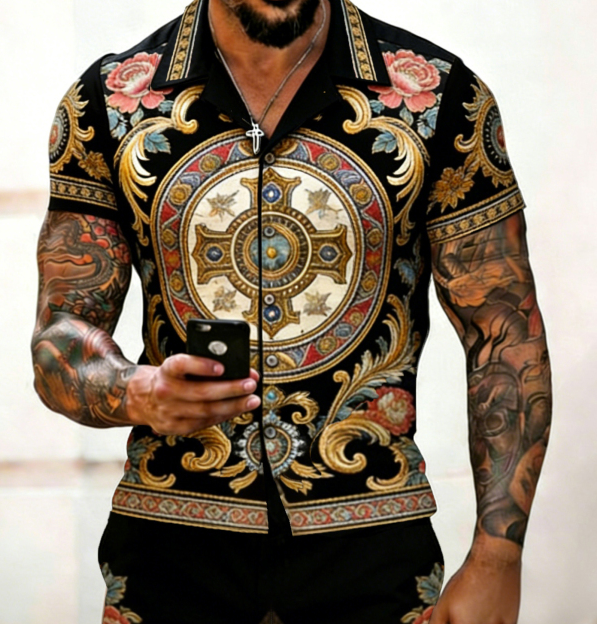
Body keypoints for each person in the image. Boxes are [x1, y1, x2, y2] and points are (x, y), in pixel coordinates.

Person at [31, 0, 552, 622]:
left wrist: (497, 559)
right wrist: (135, 393)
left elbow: (504, 336)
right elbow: (60, 339)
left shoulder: (440, 98)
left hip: (373, 545)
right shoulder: (107, 104)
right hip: (169, 548)